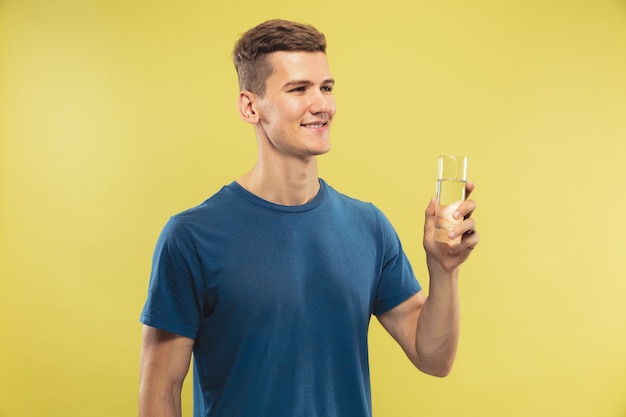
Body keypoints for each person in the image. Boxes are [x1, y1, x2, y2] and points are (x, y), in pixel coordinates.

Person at [139, 19, 479, 417]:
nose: (322, 105)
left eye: (326, 87)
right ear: (251, 107)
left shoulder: (368, 227)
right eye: (299, 89)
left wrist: (444, 270)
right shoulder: (191, 237)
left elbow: (433, 357)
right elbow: (160, 394)